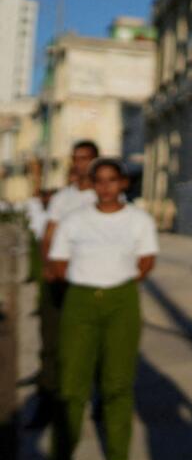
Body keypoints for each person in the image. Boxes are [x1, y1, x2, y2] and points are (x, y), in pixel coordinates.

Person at [43, 158, 158, 460]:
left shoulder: (138, 220)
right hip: (80, 301)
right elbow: (59, 263)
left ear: (123, 183)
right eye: (100, 180)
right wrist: (90, 283)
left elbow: (146, 261)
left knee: (117, 384)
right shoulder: (75, 220)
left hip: (121, 300)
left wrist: (115, 282)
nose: (106, 186)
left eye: (113, 180)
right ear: (91, 184)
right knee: (71, 387)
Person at [29, 141, 99, 430]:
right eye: (76, 158)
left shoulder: (102, 195)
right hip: (60, 279)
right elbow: (49, 234)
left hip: (90, 279)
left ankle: (100, 403)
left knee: (94, 346)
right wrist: (47, 266)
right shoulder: (62, 198)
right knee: (51, 343)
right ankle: (48, 400)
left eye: (86, 158)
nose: (80, 163)